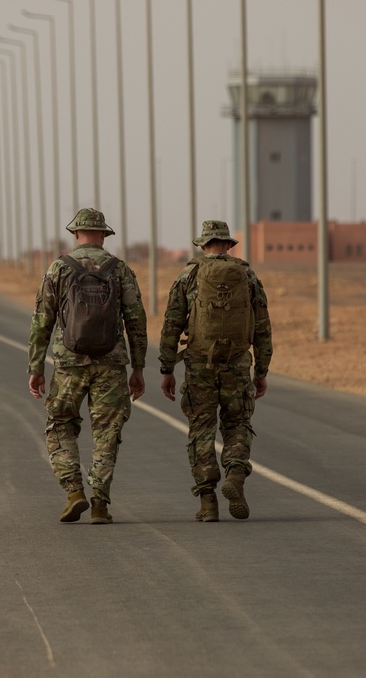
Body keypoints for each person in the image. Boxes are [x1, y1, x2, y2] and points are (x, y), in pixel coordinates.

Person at [27, 208, 147, 524]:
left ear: (76, 234)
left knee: (60, 425)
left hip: (68, 364)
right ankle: (100, 505)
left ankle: (73, 491)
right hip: (111, 364)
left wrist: (36, 367)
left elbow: (42, 321)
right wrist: (139, 367)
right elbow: (136, 320)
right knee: (107, 433)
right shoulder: (119, 270)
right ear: (104, 235)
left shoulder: (58, 269)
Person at [159, 220, 272, 522]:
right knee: (237, 423)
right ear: (228, 244)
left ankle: (208, 501)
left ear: (203, 244)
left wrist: (167, 367)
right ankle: (234, 475)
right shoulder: (247, 274)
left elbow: (172, 322)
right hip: (237, 363)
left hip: (199, 365)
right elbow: (262, 325)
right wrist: (261, 370)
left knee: (201, 429)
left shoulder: (189, 274)